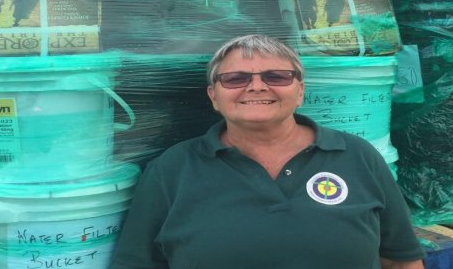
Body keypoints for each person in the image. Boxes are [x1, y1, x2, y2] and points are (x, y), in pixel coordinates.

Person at [110, 35, 425, 269]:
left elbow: (401, 259)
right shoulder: (172, 169)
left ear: (300, 90)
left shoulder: (357, 156)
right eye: (236, 78)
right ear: (214, 96)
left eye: (276, 76)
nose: (257, 86)